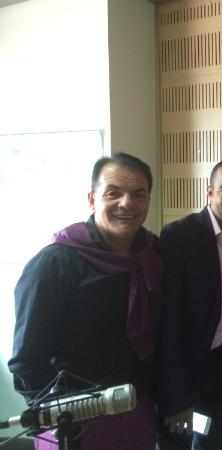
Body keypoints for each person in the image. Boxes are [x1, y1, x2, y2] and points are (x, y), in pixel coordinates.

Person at [8, 152, 162, 450]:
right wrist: (60, 418)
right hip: (76, 419)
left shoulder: (151, 256)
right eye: (113, 193)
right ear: (92, 199)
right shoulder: (55, 264)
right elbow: (27, 360)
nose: (127, 203)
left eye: (138, 194)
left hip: (137, 409)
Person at [156, 158, 222, 450]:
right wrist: (175, 397)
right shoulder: (179, 236)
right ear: (210, 192)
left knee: (213, 444)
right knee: (175, 445)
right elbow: (166, 323)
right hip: (181, 370)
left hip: (218, 371)